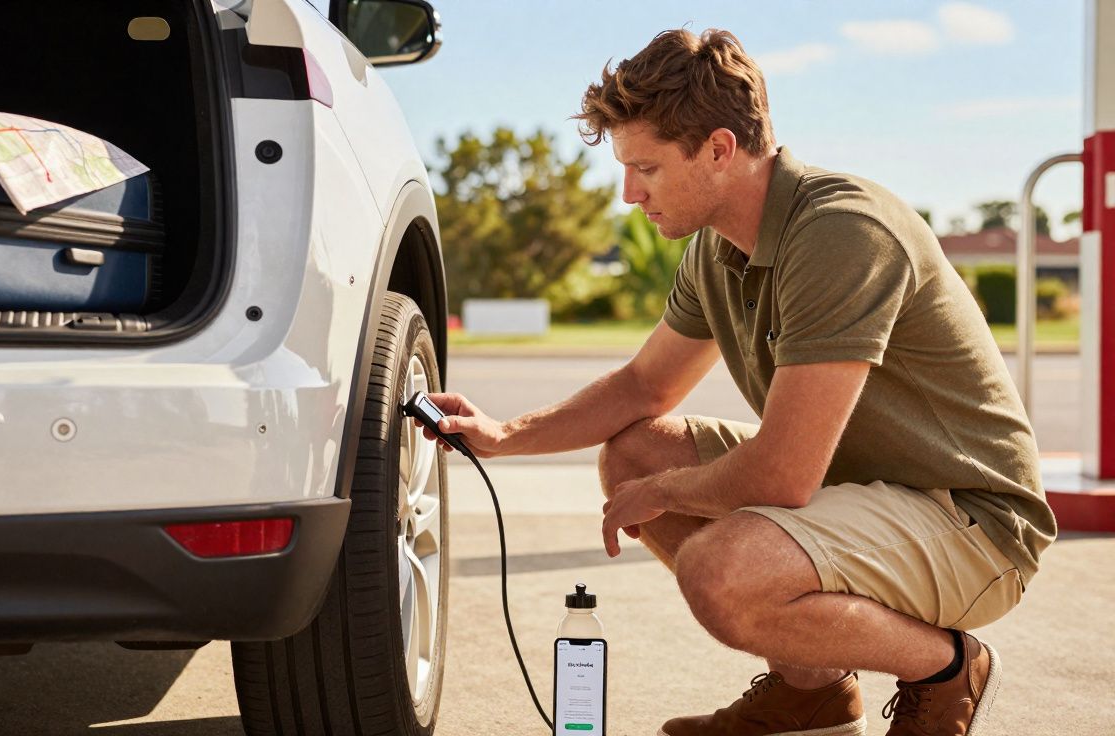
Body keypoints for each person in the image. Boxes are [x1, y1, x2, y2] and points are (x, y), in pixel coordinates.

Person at [417, 27, 1055, 736]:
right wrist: (504, 436)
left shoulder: (842, 230)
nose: (630, 194)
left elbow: (783, 474)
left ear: (720, 149)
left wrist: (661, 495)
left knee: (724, 574)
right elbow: (642, 388)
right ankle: (811, 693)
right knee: (635, 450)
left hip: (973, 521)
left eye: (648, 169)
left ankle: (945, 668)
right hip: (868, 490)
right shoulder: (716, 249)